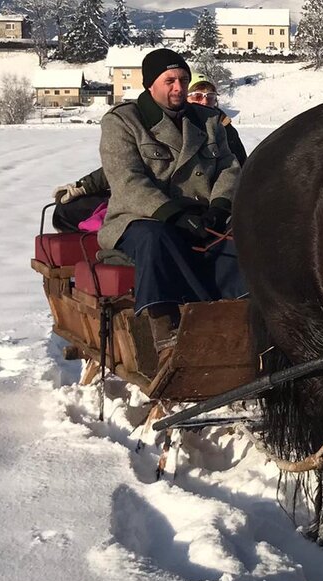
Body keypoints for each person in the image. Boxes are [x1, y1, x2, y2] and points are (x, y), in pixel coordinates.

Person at [97, 48, 246, 355]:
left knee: (248, 234)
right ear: (150, 84)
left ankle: (246, 317)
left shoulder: (207, 121)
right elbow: (127, 182)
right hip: (142, 217)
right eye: (170, 80)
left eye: (183, 79)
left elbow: (230, 167)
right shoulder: (124, 122)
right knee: (157, 238)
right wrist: (172, 214)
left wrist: (219, 208)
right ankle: (167, 331)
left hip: (204, 214)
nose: (179, 87)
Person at [50, 75, 246, 230]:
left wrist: (220, 208)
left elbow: (235, 170)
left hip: (201, 204)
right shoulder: (172, 123)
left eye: (210, 97)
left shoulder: (221, 129)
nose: (204, 102)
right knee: (69, 209)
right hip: (155, 196)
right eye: (197, 96)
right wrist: (84, 186)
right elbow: (127, 166)